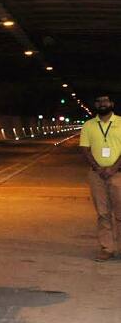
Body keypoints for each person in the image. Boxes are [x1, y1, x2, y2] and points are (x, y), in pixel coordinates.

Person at [79, 94, 121, 261]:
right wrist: (98, 168)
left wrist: (113, 168)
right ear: (95, 104)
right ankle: (107, 248)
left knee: (120, 214)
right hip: (96, 175)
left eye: (105, 101)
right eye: (99, 101)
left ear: (112, 103)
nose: (102, 104)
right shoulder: (89, 125)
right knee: (103, 214)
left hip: (118, 174)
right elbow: (84, 149)